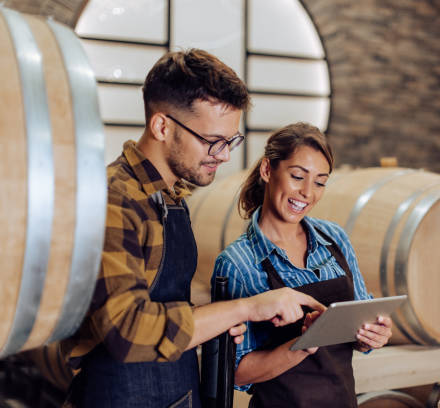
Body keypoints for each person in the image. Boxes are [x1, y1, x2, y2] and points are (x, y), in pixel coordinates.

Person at [60, 50, 324, 408]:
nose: (225, 155)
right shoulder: (113, 200)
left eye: (230, 141)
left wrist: (211, 321)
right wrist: (245, 309)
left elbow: (164, 303)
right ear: (162, 126)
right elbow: (127, 331)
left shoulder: (171, 197)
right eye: (213, 141)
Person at [212, 122, 393, 408]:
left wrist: (371, 335)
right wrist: (301, 347)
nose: (308, 192)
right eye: (298, 176)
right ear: (267, 170)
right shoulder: (237, 263)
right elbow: (236, 372)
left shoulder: (334, 238)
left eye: (320, 182)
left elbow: (359, 320)